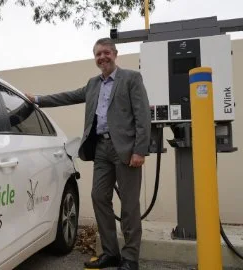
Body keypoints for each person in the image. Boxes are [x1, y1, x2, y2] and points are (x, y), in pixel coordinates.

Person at [25, 38, 151, 270]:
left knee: (129, 205)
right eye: (98, 54)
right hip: (101, 149)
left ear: (115, 54)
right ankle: (111, 253)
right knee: (98, 196)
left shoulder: (131, 78)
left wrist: (140, 150)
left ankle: (131, 258)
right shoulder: (93, 84)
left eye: (106, 53)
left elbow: (143, 116)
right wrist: (38, 100)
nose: (102, 57)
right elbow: (68, 96)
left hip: (126, 149)